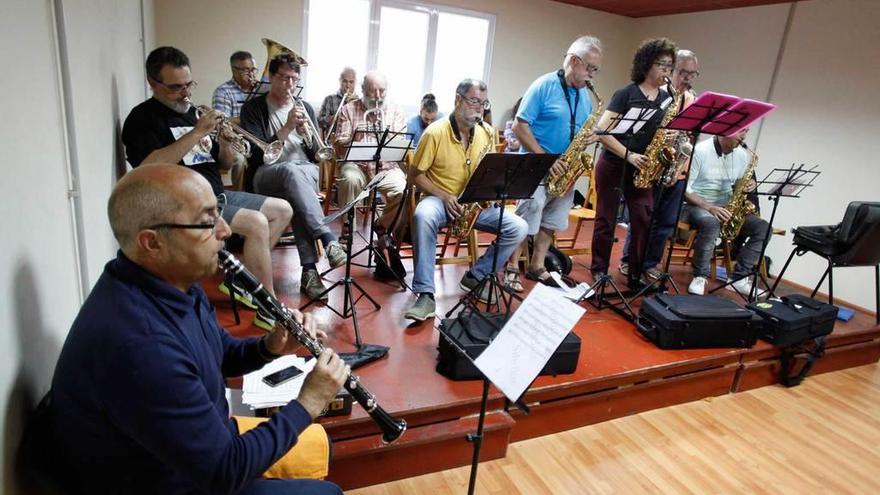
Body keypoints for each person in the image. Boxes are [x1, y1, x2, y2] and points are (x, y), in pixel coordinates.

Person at [48, 164, 347, 495]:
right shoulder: (141, 345)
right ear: (153, 243)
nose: (224, 230)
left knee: (321, 447)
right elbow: (224, 472)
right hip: (172, 480)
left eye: (219, 215)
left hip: (199, 448)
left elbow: (220, 354)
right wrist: (309, 401)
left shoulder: (171, 284)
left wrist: (270, 346)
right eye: (207, 221)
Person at [122, 46, 292, 330]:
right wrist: (198, 132)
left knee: (282, 209)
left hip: (217, 194)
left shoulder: (191, 113)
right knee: (257, 222)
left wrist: (224, 140)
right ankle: (267, 305)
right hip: (183, 204)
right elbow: (146, 169)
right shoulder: (142, 118)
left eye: (189, 84)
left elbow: (224, 164)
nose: (185, 93)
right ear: (153, 83)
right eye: (176, 87)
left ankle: (241, 282)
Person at [403, 79, 528, 322]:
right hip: (440, 199)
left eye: (483, 103)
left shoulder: (487, 132)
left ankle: (476, 275)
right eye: (473, 101)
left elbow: (490, 170)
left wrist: (491, 193)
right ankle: (426, 294)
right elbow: (414, 176)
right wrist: (444, 195)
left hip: (474, 204)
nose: (479, 108)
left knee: (518, 227)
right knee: (423, 215)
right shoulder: (435, 132)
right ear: (458, 99)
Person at [239, 53, 347, 301]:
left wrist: (305, 134)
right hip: (268, 173)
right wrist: (287, 128)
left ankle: (309, 271)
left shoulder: (305, 107)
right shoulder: (253, 108)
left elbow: (315, 154)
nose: (290, 85)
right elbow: (258, 154)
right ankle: (327, 238)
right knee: (292, 173)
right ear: (270, 76)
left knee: (297, 187)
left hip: (303, 171)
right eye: (284, 78)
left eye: (294, 79)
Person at [504, 35, 603, 293]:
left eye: (595, 70)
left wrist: (589, 136)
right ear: (573, 60)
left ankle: (537, 265)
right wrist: (545, 160)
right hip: (537, 164)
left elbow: (577, 128)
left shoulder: (583, 95)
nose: (592, 75)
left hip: (565, 169)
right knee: (527, 216)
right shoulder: (544, 85)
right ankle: (513, 267)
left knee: (552, 220)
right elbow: (519, 125)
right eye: (589, 68)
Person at [591, 38, 677, 290]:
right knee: (606, 219)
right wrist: (628, 154)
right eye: (661, 64)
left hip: (644, 168)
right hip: (614, 164)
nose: (666, 71)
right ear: (646, 64)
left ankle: (635, 273)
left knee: (643, 218)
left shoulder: (667, 100)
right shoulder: (625, 94)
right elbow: (602, 131)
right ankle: (599, 270)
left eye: (669, 66)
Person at [619, 49, 700, 281]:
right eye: (683, 72)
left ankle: (650, 262)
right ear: (671, 70)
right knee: (643, 218)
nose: (688, 78)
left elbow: (692, 136)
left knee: (665, 222)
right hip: (653, 165)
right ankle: (630, 260)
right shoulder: (659, 95)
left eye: (693, 74)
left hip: (676, 169)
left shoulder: (693, 99)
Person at [683, 128, 768, 296]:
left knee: (763, 228)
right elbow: (686, 189)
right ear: (724, 131)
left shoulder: (742, 155)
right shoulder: (700, 151)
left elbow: (739, 184)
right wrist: (709, 207)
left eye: (747, 131)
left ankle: (738, 279)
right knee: (711, 222)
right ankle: (700, 276)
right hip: (695, 205)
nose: (744, 136)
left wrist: (750, 184)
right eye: (741, 131)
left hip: (726, 207)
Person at [333, 71, 408, 234]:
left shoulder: (396, 111)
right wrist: (354, 137)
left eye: (382, 91)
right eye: (373, 91)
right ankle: (348, 232)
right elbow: (339, 147)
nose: (378, 96)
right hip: (357, 166)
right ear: (363, 89)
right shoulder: (348, 110)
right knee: (349, 178)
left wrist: (388, 138)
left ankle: (382, 225)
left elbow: (400, 145)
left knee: (403, 190)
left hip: (386, 168)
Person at [212, 51, 259, 118]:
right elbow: (221, 122)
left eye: (253, 70)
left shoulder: (261, 88)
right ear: (234, 70)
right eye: (246, 70)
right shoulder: (223, 91)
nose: (251, 74)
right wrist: (251, 120)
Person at [317, 67, 357, 137]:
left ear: (355, 82)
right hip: (333, 141)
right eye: (345, 81)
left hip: (353, 142)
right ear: (340, 81)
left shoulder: (359, 102)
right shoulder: (329, 99)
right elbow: (320, 122)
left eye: (351, 82)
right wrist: (337, 116)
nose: (348, 86)